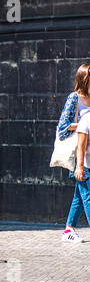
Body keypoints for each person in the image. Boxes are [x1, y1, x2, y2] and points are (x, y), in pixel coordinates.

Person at [58, 63, 90, 242]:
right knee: (87, 194)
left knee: (80, 192)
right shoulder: (74, 98)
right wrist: (84, 125)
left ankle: (69, 229)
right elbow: (62, 127)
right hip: (80, 154)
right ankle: (69, 230)